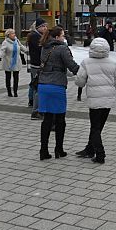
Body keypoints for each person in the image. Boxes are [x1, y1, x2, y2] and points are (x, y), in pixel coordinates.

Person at [75, 38, 116, 164]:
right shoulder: (112, 63)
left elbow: (79, 82)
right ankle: (90, 149)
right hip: (108, 99)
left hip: (94, 99)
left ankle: (100, 154)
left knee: (95, 127)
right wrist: (109, 89)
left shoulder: (86, 62)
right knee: (99, 127)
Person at [37, 26, 80, 160]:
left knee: (47, 120)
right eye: (62, 35)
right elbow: (72, 66)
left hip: (43, 85)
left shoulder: (44, 47)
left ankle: (43, 150)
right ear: (57, 37)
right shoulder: (62, 48)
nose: (64, 38)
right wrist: (85, 69)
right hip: (57, 86)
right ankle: (59, 149)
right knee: (60, 120)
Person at [0, 28, 28, 97]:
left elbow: (21, 47)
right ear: (8, 35)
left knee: (16, 77)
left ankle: (15, 91)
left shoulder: (16, 40)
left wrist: (27, 51)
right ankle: (9, 92)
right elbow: (2, 50)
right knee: (8, 78)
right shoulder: (5, 42)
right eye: (12, 33)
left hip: (16, 61)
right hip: (8, 61)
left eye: (14, 33)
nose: (14, 34)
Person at [27, 18, 48, 113]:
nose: (45, 28)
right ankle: (36, 109)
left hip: (38, 64)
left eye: (46, 26)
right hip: (36, 64)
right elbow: (41, 48)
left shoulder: (39, 35)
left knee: (35, 84)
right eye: (43, 26)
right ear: (38, 27)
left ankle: (33, 103)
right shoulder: (35, 36)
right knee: (37, 86)